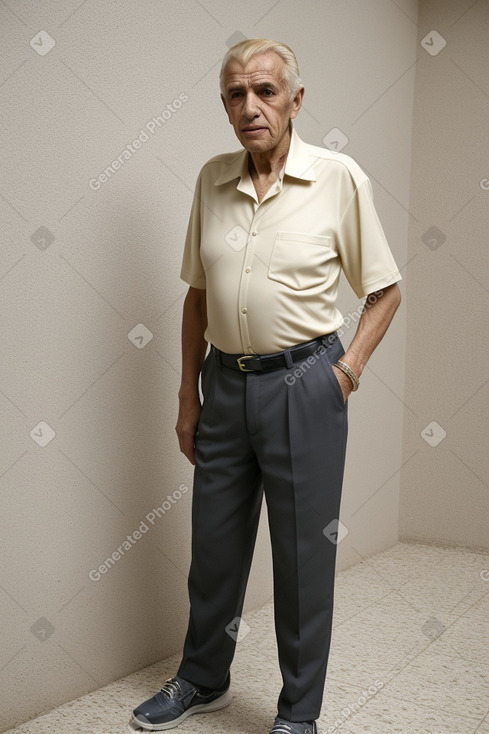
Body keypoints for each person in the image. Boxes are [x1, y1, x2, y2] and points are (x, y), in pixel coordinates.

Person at [131, 38, 402, 734]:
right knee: (214, 547)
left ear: (295, 100)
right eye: (233, 93)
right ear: (224, 106)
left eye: (264, 91)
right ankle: (202, 677)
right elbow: (196, 296)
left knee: (303, 556)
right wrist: (187, 396)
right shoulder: (211, 179)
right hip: (224, 384)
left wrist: (344, 374)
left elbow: (385, 290)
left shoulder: (339, 178)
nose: (249, 106)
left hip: (306, 382)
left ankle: (298, 713)